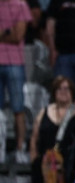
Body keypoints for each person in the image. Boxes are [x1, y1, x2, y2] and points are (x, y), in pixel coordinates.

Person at [0, 0, 32, 164]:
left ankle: (20, 149)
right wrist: (6, 32)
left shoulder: (20, 4)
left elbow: (18, 35)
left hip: (15, 63)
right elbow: (12, 34)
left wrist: (4, 33)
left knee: (18, 109)